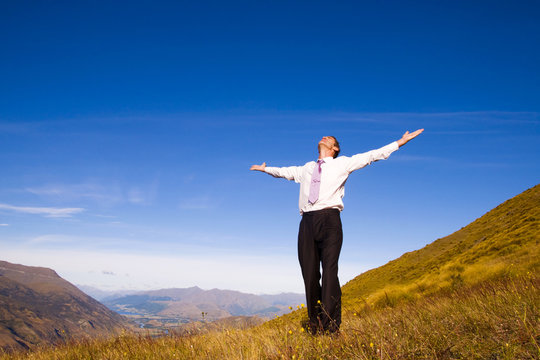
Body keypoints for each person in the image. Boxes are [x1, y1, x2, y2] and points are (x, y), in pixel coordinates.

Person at [250, 129, 423, 334]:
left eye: (329, 138)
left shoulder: (343, 163)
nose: (324, 137)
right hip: (307, 221)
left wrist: (400, 142)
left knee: (330, 272)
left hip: (330, 220)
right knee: (310, 275)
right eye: (323, 137)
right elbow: (286, 172)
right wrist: (266, 169)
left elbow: (372, 155)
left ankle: (331, 326)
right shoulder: (307, 168)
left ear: (335, 148)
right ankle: (315, 325)